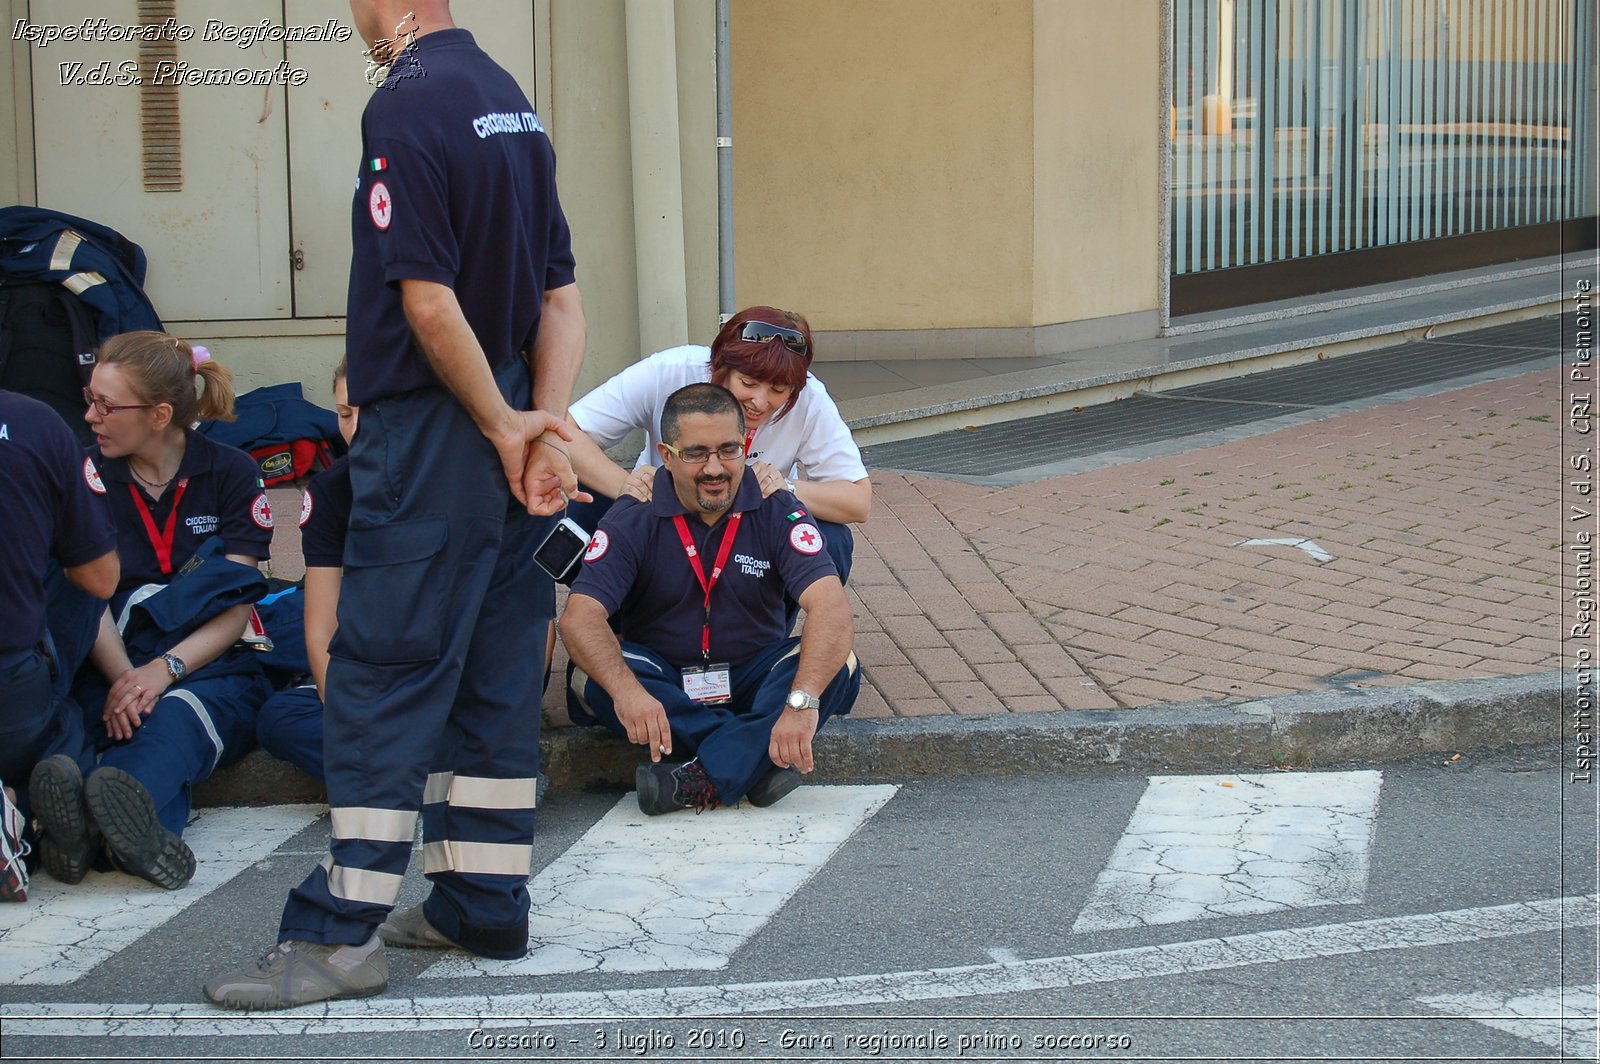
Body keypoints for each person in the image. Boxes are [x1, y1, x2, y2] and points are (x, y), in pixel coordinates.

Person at [205, 0, 586, 1011]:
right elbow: (559, 296)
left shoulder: (407, 103)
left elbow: (424, 301)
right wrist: (536, 421)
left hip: (432, 427)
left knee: (382, 670)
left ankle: (338, 936)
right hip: (503, 407)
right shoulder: (510, 101)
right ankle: (482, 899)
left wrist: (503, 425)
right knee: (494, 668)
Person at [29, 331, 273, 893]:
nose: (90, 416)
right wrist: (126, 679)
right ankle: (126, 836)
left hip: (206, 661)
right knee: (92, 718)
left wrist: (161, 674)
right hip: (110, 656)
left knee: (173, 721)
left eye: (106, 406)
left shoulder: (231, 472)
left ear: (160, 414)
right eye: (90, 399)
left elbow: (236, 603)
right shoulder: (82, 476)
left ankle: (86, 835)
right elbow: (82, 598)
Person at [561, 383, 860, 815]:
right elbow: (579, 618)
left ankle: (700, 778)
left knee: (836, 663)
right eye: (696, 453)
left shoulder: (778, 509)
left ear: (746, 447)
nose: (715, 468)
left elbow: (831, 608)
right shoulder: (632, 515)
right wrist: (629, 692)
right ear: (666, 455)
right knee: (590, 676)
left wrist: (800, 702)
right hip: (664, 678)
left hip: (751, 672)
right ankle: (754, 761)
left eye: (729, 449)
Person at [565, 306, 871, 595]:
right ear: (720, 366)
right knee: (579, 502)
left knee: (831, 539)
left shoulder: (810, 398)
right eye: (748, 382)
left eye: (778, 390)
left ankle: (769, 633)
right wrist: (625, 486)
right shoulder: (671, 369)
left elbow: (858, 501)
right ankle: (615, 621)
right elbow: (566, 431)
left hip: (752, 532)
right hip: (660, 521)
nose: (760, 402)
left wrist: (785, 487)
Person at [0, 389, 120, 901]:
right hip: (11, 686)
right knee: (65, 724)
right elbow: (100, 578)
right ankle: (25, 809)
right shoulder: (34, 421)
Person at [253, 359, 359, 782]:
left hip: (449, 673)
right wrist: (345, 716)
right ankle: (415, 775)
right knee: (281, 717)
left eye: (371, 411)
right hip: (374, 674)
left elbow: (527, 621)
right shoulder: (332, 490)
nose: (354, 428)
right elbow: (321, 626)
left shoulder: (458, 479)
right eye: (345, 414)